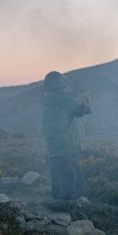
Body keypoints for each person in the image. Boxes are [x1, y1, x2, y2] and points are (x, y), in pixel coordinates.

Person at [40, 70, 91, 203]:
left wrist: (82, 104)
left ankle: (56, 199)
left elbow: (73, 110)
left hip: (55, 147)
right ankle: (66, 204)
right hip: (65, 147)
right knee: (73, 177)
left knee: (59, 174)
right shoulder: (62, 99)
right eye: (64, 82)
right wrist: (85, 103)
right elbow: (79, 111)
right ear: (59, 84)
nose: (67, 85)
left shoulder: (49, 100)